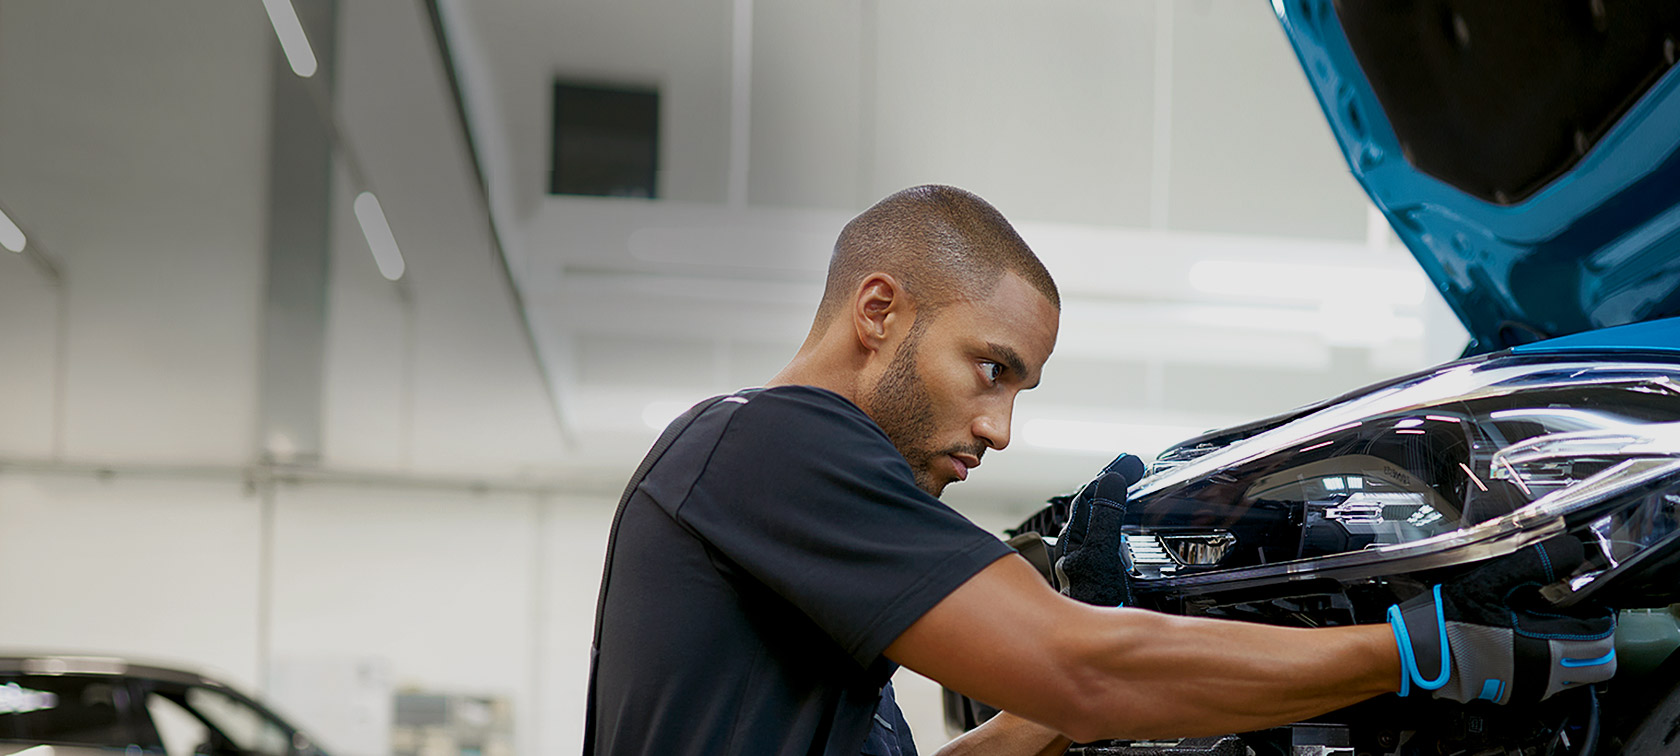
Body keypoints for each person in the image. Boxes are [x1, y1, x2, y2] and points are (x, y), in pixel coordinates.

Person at [582, 185, 1615, 755]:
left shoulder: (778, 517)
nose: (1000, 429)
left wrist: (1090, 676)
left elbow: (1074, 682)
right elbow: (1086, 673)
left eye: (1021, 389)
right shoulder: (770, 445)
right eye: (991, 369)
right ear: (880, 311)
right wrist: (1411, 653)